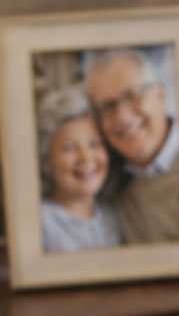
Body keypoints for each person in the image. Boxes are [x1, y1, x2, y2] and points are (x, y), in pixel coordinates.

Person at [84, 48, 179, 244]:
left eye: (133, 95)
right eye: (107, 106)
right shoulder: (102, 175)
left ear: (160, 95)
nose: (123, 117)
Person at [38, 83, 122, 252]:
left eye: (94, 144)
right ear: (47, 160)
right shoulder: (41, 222)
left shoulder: (111, 217)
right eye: (69, 148)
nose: (85, 158)